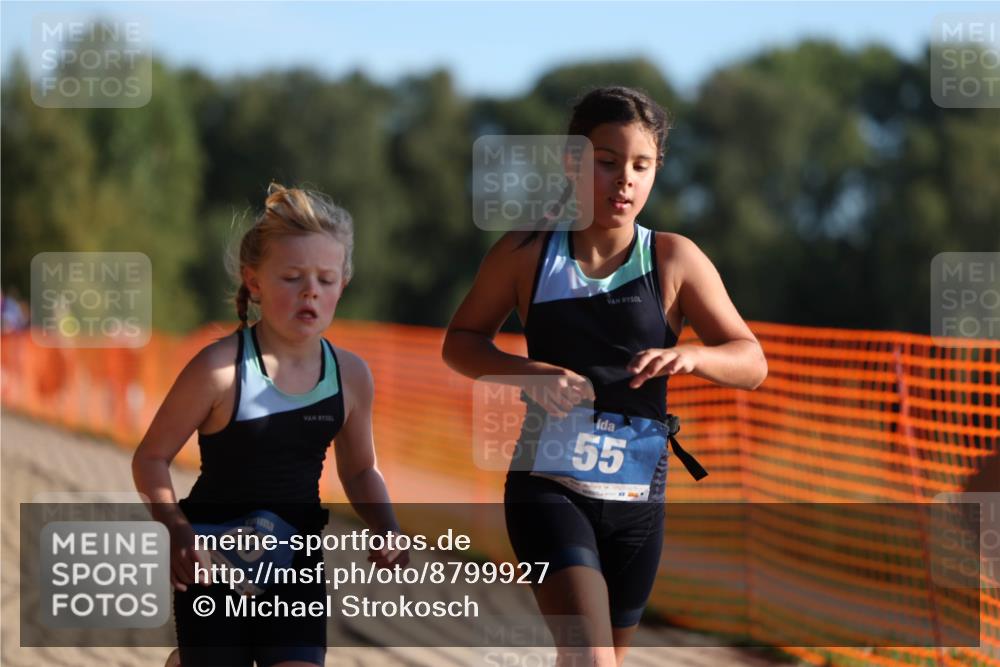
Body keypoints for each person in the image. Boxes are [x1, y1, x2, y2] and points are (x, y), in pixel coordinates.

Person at [442, 86, 767, 666]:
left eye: (641, 166)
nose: (624, 181)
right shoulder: (524, 255)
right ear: (572, 163)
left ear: (656, 172)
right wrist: (528, 373)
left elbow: (750, 360)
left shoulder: (673, 259)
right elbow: (461, 344)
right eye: (607, 162)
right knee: (590, 656)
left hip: (639, 498)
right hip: (549, 486)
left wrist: (693, 357)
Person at [133, 183, 408, 667]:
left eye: (326, 279)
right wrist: (176, 529)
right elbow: (151, 458)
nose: (310, 291)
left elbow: (362, 470)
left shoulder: (351, 376)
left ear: (343, 284)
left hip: (296, 562)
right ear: (254, 282)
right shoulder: (218, 370)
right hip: (212, 562)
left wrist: (386, 525)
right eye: (292, 277)